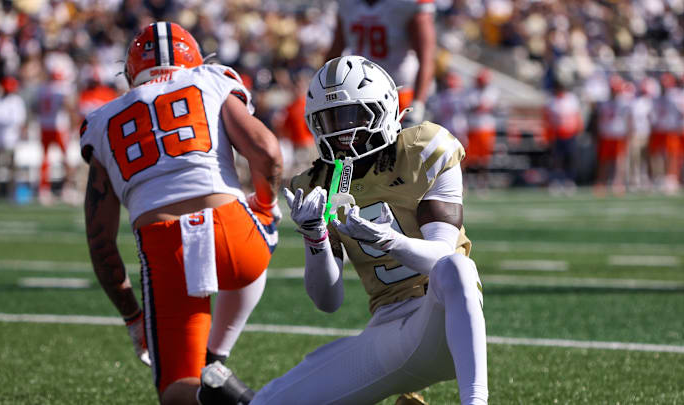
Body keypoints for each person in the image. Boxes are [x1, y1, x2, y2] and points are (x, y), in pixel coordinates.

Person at [204, 55, 488, 405]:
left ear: (382, 107)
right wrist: (315, 236)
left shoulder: (423, 148)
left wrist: (388, 240)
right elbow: (328, 301)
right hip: (388, 329)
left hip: (442, 317)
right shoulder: (319, 181)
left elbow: (443, 259)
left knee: (458, 267)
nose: (340, 130)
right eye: (329, 119)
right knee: (271, 402)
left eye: (352, 115)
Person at [80, 22, 282, 405]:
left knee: (176, 392)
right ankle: (216, 360)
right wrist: (267, 210)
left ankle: (217, 380)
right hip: (236, 237)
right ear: (195, 60)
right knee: (256, 235)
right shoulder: (211, 79)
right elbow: (266, 151)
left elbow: (100, 239)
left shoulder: (102, 120)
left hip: (165, 248)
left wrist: (132, 317)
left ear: (129, 73)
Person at [325, 0, 437, 125]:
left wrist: (418, 103)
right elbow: (335, 50)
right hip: (357, 93)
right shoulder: (347, 4)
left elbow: (427, 58)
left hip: (398, 94)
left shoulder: (408, 5)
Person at [36, 55, 77, 205]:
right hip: (59, 126)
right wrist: (74, 125)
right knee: (66, 158)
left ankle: (44, 190)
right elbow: (68, 106)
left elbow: (37, 108)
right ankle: (68, 188)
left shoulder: (43, 88)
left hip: (44, 125)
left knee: (45, 159)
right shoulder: (62, 88)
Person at [0, 76, 27, 209]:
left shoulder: (16, 101)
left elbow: (17, 120)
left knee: (12, 170)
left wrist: (3, 121)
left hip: (11, 141)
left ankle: (12, 195)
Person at [543, 75, 583, 194]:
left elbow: (577, 116)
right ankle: (556, 181)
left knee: (570, 158)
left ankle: (569, 181)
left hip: (570, 134)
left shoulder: (571, 99)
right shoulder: (551, 101)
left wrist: (578, 130)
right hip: (557, 134)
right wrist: (548, 135)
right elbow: (547, 119)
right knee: (556, 160)